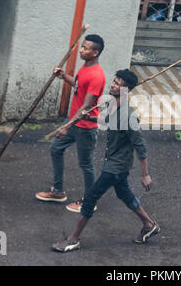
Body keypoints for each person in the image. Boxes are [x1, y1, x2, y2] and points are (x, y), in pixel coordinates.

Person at [52, 69, 159, 252]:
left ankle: (73, 239)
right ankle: (149, 224)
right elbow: (106, 120)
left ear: (126, 90)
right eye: (114, 81)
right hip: (114, 162)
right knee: (123, 193)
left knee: (91, 196)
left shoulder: (129, 116)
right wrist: (89, 117)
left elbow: (140, 146)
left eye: (118, 84)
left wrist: (145, 174)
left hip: (116, 166)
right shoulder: (113, 105)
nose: (113, 85)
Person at [36, 34, 106, 213]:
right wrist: (63, 76)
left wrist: (67, 125)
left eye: (85, 48)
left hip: (85, 127)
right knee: (56, 149)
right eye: (82, 47)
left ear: (95, 52)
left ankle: (89, 201)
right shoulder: (86, 67)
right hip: (73, 121)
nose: (81, 50)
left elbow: (87, 106)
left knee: (86, 164)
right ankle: (58, 191)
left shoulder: (97, 76)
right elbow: (78, 84)